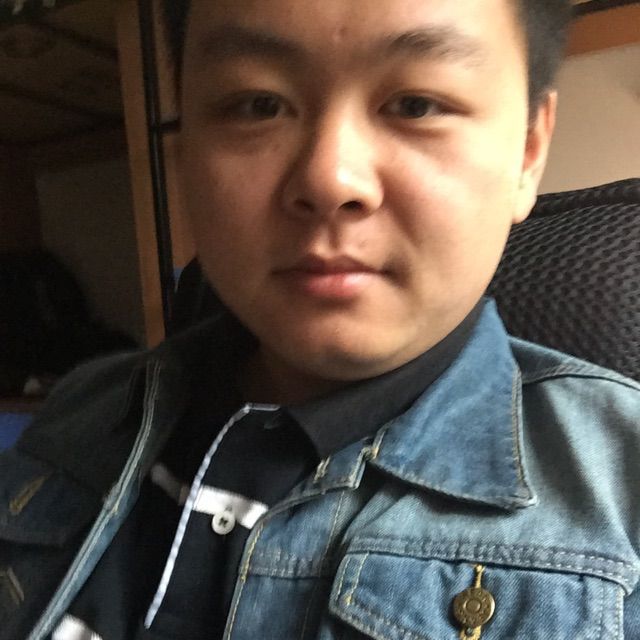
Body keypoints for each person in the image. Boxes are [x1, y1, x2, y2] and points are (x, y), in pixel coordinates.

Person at [2, 0, 639, 638]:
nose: (330, 179)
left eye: (416, 105)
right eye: (258, 104)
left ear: (528, 151)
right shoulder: (80, 410)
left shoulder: (623, 497)